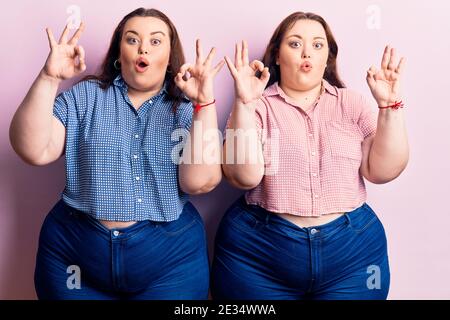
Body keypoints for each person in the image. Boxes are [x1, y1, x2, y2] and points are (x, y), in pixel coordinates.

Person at [9, 7, 224, 299]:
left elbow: (200, 182)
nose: (143, 47)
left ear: (170, 57)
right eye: (132, 39)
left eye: (156, 41)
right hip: (76, 256)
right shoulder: (86, 96)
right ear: (119, 51)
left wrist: (204, 103)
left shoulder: (185, 110)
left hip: (169, 262)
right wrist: (49, 77)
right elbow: (33, 150)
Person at [212, 11, 408, 300]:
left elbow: (383, 171)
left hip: (352, 255)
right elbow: (244, 177)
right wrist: (244, 102)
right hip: (258, 252)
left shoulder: (352, 104)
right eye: (294, 43)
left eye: (318, 45)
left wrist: (390, 106)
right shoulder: (257, 106)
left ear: (328, 58)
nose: (307, 52)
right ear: (277, 56)